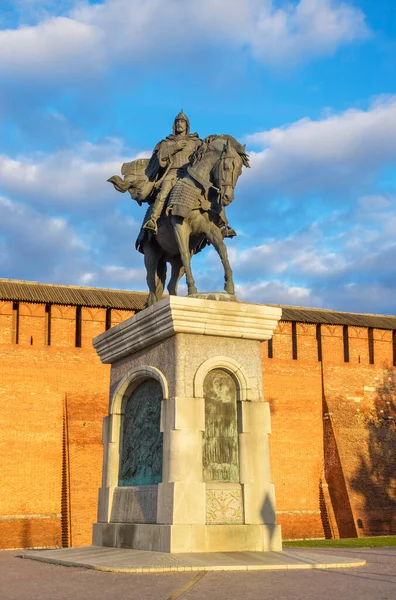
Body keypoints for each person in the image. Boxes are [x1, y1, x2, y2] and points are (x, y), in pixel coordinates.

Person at [143, 110, 201, 233]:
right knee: (163, 193)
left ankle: (222, 224)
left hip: (190, 174)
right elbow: (161, 157)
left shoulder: (195, 142)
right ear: (174, 125)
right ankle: (153, 220)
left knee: (211, 191)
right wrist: (175, 147)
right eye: (177, 122)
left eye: (182, 122)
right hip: (172, 173)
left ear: (187, 125)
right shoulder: (167, 142)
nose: (180, 124)